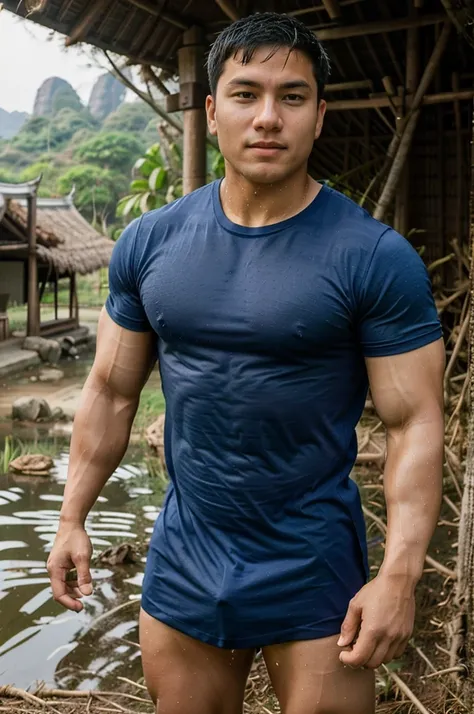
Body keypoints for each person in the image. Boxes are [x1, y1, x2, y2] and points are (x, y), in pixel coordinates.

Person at [47, 12, 445, 714]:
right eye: (245, 94)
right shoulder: (150, 243)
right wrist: (72, 515)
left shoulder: (375, 258)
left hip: (313, 561)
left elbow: (414, 423)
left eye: (291, 97)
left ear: (319, 116)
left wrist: (400, 577)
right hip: (186, 553)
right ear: (212, 108)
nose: (267, 117)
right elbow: (110, 389)